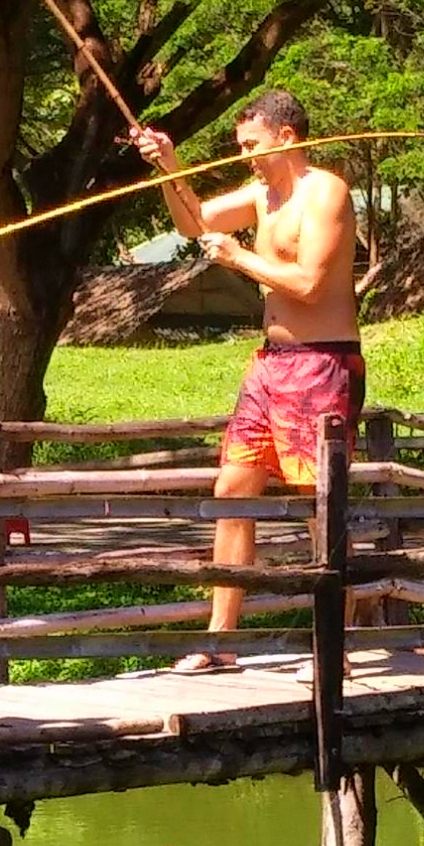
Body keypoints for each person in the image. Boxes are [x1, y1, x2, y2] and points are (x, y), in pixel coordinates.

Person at [131, 90, 363, 673]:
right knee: (232, 490)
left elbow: (310, 283)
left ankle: (339, 639)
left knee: (321, 503)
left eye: (252, 146)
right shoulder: (262, 195)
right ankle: (219, 639)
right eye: (240, 148)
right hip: (268, 365)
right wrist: (169, 165)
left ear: (287, 138)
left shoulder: (325, 191)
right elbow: (194, 220)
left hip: (323, 361)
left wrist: (237, 260)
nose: (246, 158)